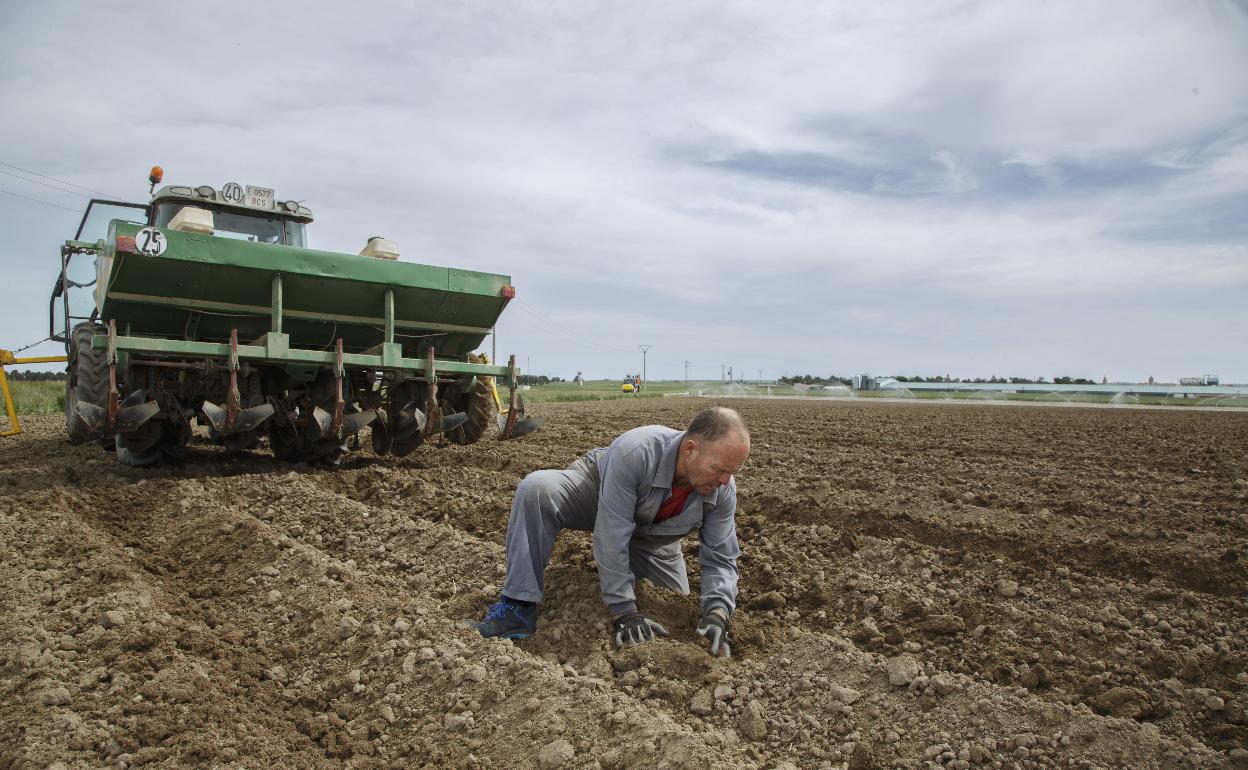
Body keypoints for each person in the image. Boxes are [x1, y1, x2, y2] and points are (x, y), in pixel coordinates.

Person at [475, 406, 750, 657]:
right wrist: (625, 612)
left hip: (653, 537)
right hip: (599, 495)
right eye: (718, 469)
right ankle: (517, 608)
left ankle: (630, 578)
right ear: (690, 449)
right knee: (537, 489)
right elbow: (611, 535)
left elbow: (721, 557)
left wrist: (717, 613)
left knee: (671, 603)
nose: (725, 480)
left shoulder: (723, 489)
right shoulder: (637, 451)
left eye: (732, 472)